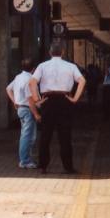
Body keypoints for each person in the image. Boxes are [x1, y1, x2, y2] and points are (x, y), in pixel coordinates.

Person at [28, 41, 86, 174]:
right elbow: (82, 81)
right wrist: (75, 98)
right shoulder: (71, 66)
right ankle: (68, 166)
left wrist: (37, 99)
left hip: (47, 100)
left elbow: (31, 82)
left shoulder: (42, 66)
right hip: (64, 100)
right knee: (65, 135)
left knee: (45, 135)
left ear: (50, 53)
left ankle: (43, 166)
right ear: (62, 53)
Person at [6, 58, 39, 169]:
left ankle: (26, 159)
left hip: (21, 109)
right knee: (28, 136)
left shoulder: (18, 77)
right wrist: (36, 114)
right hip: (28, 110)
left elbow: (8, 89)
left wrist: (15, 101)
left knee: (25, 135)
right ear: (33, 69)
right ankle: (25, 161)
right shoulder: (29, 80)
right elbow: (30, 99)